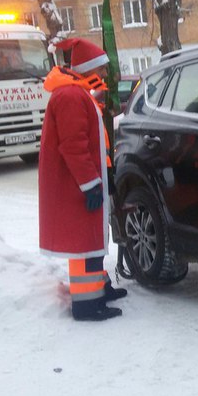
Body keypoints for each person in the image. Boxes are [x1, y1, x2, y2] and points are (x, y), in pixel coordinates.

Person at [39, 37, 127, 320]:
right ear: (89, 69)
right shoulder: (72, 97)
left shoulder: (77, 95)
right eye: (101, 70)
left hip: (83, 181)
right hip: (78, 186)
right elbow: (74, 147)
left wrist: (105, 173)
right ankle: (88, 304)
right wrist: (90, 184)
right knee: (84, 245)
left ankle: (99, 287)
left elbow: (92, 144)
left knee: (92, 240)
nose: (103, 76)